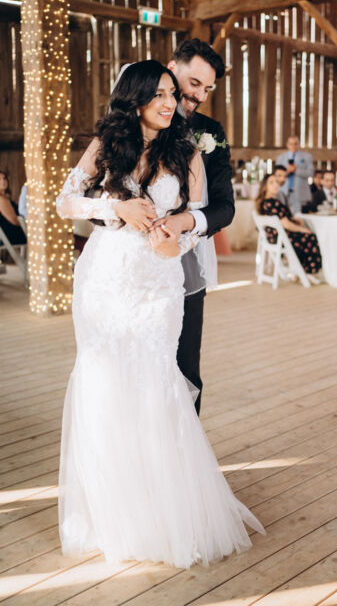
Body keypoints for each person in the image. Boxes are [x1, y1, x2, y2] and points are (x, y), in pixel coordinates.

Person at [56, 60, 264, 567]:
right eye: (161, 95)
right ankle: (111, 511)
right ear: (136, 100)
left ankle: (162, 507)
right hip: (105, 279)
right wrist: (116, 208)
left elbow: (197, 215)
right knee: (104, 380)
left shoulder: (187, 150)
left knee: (156, 379)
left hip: (159, 282)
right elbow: (66, 202)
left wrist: (179, 237)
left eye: (174, 94)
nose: (172, 103)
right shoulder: (107, 145)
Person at [146, 39, 234, 416]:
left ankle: (185, 448)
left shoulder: (210, 132)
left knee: (185, 370)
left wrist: (186, 222)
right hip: (133, 268)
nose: (199, 95)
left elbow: (225, 208)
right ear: (171, 68)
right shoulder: (135, 120)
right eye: (194, 83)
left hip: (185, 270)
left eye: (207, 89)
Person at [256, 173, 321, 283]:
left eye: (277, 182)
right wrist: (302, 229)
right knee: (310, 236)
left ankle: (300, 270)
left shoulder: (264, 203)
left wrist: (293, 221)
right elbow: (285, 224)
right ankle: (309, 271)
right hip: (282, 238)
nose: (276, 185)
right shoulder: (272, 203)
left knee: (304, 235)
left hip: (274, 238)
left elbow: (282, 219)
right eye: (271, 183)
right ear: (265, 186)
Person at [275, 135, 314, 214]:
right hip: (284, 191)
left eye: (295, 144)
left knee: (299, 215)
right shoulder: (281, 158)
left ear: (298, 144)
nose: (293, 146)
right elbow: (276, 174)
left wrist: (296, 170)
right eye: (291, 144)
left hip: (300, 192)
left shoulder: (307, 157)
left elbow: (311, 173)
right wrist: (286, 172)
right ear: (287, 144)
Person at [0, 170, 27, 273]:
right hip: (10, 236)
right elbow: (14, 221)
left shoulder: (5, 198)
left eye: (4, 178)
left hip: (12, 234)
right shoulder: (1, 200)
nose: (3, 181)